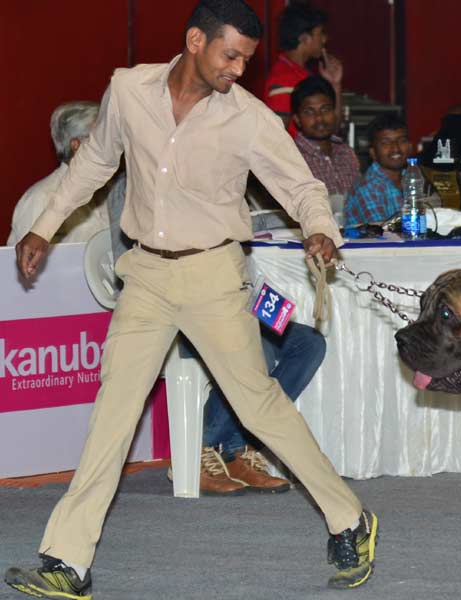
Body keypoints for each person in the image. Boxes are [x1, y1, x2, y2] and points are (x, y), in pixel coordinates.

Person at [5, 2, 379, 598]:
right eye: (230, 55)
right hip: (146, 277)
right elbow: (96, 162)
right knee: (112, 415)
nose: (238, 69)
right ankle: (67, 562)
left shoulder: (249, 119)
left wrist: (319, 229)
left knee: (258, 406)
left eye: (247, 60)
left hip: (212, 276)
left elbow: (300, 185)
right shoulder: (128, 90)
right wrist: (44, 226)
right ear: (195, 40)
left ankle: (349, 517)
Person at [105, 174, 327, 496]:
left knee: (308, 343)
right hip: (170, 304)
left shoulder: (213, 164)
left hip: (233, 294)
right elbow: (127, 257)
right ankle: (199, 450)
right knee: (248, 349)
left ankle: (236, 448)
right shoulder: (133, 182)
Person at [7, 102, 110, 245]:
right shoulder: (41, 197)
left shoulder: (114, 189)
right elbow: (26, 260)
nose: (112, 146)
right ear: (76, 145)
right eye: (102, 139)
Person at [264, 4, 343, 136]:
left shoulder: (300, 73)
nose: (324, 39)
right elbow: (276, 136)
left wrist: (335, 85)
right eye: (321, 33)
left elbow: (331, 128)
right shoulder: (285, 78)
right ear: (304, 38)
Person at [292, 75, 361, 198]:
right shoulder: (292, 158)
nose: (319, 118)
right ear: (297, 119)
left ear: (334, 113)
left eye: (325, 110)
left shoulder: (346, 153)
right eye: (309, 112)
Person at [343, 113, 411, 226]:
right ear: (373, 153)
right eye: (386, 143)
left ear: (409, 146)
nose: (395, 148)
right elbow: (383, 233)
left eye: (401, 140)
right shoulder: (367, 188)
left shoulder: (413, 179)